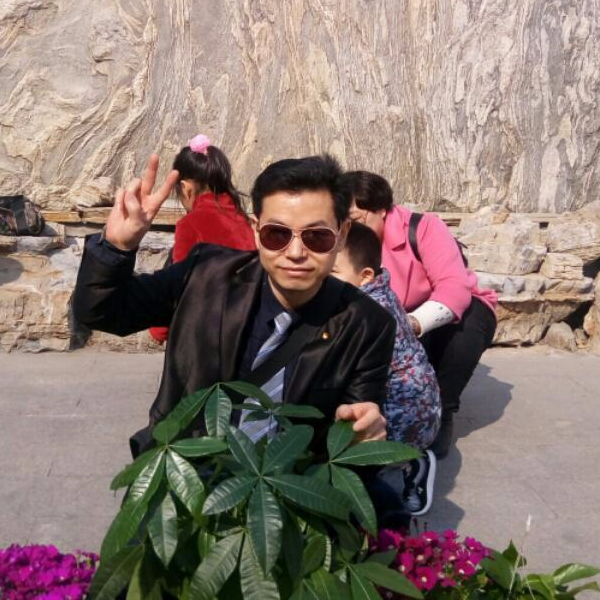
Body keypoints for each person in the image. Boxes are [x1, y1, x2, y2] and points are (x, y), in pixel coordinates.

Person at [73, 154, 395, 506]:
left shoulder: (367, 324)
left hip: (286, 502)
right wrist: (116, 248)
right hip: (184, 478)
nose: (296, 252)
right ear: (256, 230)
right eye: (277, 234)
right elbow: (101, 313)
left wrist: (364, 436)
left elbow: (353, 444)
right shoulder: (204, 275)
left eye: (316, 237)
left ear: (342, 234)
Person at [341, 171, 498, 458]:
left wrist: (411, 323)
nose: (349, 227)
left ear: (381, 210)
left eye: (356, 218)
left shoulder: (424, 227)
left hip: (436, 315)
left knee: (469, 324)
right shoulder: (345, 239)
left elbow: (454, 288)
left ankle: (444, 409)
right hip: (389, 321)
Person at [332, 222, 440, 515]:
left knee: (353, 445)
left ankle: (408, 464)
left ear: (365, 276)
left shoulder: (363, 312)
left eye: (333, 272)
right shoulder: (380, 291)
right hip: (422, 401)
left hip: (404, 415)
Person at [149, 134, 255, 343]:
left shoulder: (191, 224)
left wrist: (159, 330)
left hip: (206, 335)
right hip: (245, 328)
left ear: (186, 187)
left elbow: (179, 284)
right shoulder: (243, 220)